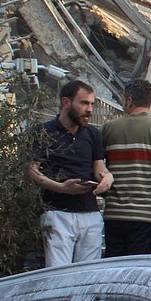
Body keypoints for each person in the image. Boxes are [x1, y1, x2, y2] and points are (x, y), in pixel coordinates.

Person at [26, 79, 113, 267]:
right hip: (58, 212)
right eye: (84, 103)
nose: (89, 109)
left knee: (90, 274)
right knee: (58, 274)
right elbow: (31, 170)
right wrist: (61, 188)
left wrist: (108, 177)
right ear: (66, 103)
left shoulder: (92, 134)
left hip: (89, 212)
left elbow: (99, 168)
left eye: (91, 103)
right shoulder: (44, 132)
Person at [101, 79, 151, 257]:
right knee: (138, 269)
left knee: (115, 270)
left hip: (113, 216)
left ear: (129, 100)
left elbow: (99, 169)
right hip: (144, 218)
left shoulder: (108, 129)